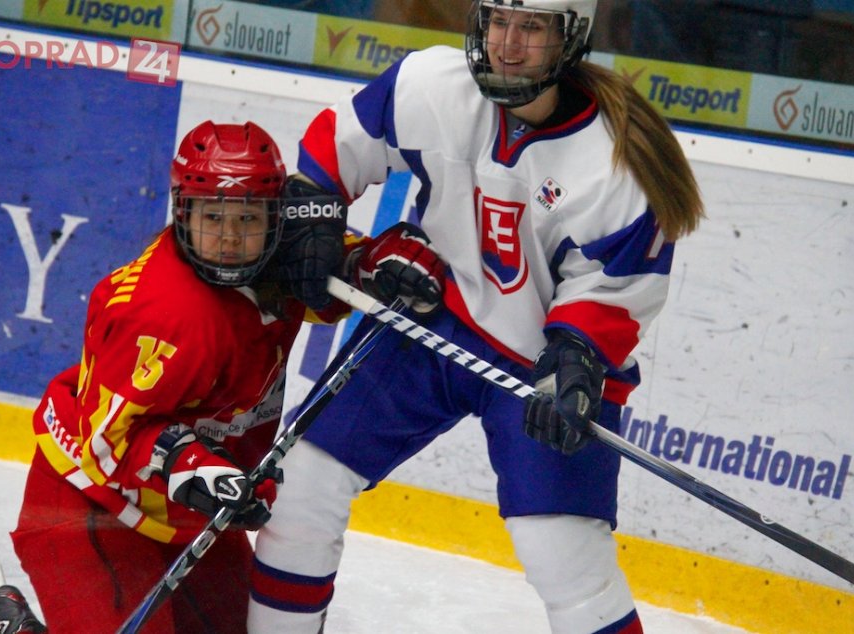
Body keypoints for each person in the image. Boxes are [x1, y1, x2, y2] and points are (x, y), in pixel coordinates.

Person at [247, 1, 704, 633]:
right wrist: (314, 204)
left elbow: (616, 286)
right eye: (497, 21)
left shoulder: (616, 164)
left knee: (565, 559)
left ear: (570, 37)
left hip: (540, 364)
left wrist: (576, 354)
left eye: (532, 27)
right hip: (433, 319)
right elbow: (342, 141)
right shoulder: (433, 86)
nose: (508, 44)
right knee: (302, 486)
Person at [0, 120, 443, 634]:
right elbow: (108, 444)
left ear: (276, 217)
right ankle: (3, 625)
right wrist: (191, 466)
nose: (229, 238)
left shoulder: (281, 258)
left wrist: (374, 263)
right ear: (183, 212)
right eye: (213, 216)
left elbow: (331, 276)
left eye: (247, 218)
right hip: (92, 504)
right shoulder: (163, 312)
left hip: (188, 511)